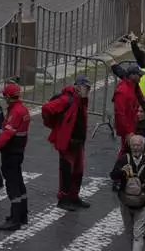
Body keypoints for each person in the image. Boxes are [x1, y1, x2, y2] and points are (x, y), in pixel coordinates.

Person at [41, 75, 92, 210]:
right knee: (66, 171)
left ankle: (74, 196)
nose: (88, 90)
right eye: (86, 87)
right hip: (68, 142)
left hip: (78, 142)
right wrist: (56, 127)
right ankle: (63, 198)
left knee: (78, 171)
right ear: (78, 87)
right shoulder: (66, 99)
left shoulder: (81, 100)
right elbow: (47, 109)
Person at [0, 82, 30, 231]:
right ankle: (22, 215)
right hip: (18, 152)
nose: (4, 99)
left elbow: (7, 134)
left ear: (9, 97)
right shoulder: (22, 109)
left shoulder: (15, 112)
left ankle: (15, 219)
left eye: (5, 96)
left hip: (11, 153)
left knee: (12, 186)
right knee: (19, 182)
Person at [109, 134, 145, 251]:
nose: (136, 148)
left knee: (138, 233)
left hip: (142, 204)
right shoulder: (123, 159)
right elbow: (112, 175)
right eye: (133, 145)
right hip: (125, 202)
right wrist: (122, 172)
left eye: (138, 145)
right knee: (129, 232)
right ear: (130, 146)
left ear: (143, 147)